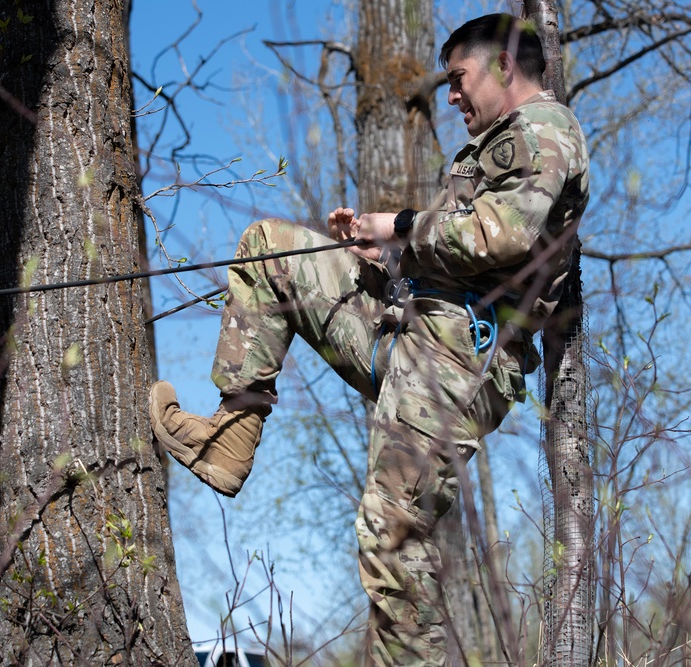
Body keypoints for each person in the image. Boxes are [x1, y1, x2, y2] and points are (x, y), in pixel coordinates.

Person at [150, 13, 589, 666]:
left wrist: (403, 224)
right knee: (269, 248)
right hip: (414, 333)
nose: (451, 95)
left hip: (457, 364)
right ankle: (230, 435)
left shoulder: (544, 129)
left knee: (392, 535)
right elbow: (474, 250)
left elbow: (502, 235)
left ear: (502, 67)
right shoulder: (507, 142)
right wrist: (384, 251)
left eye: (459, 77)